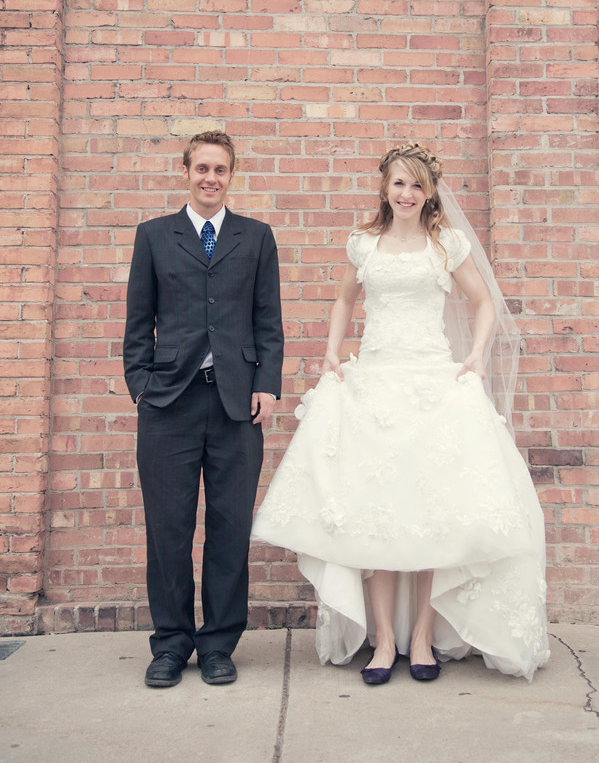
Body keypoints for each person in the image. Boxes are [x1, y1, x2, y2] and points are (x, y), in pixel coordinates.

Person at [253, 141, 549, 684]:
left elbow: (484, 302)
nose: (407, 193)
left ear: (429, 191)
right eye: (398, 183)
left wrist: (476, 354)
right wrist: (332, 350)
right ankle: (385, 639)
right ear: (384, 188)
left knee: (432, 513)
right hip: (375, 384)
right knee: (379, 512)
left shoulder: (446, 244)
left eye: (416, 184)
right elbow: (345, 299)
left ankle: (422, 639)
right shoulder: (364, 243)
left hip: (433, 384)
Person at [123, 130, 284, 688]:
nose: (210, 178)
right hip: (169, 402)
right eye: (202, 168)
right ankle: (171, 644)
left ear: (231, 175)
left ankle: (218, 644)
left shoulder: (256, 237)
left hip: (237, 404)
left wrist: (267, 385)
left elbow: (268, 321)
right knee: (168, 529)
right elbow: (137, 321)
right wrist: (141, 386)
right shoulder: (154, 235)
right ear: (186, 172)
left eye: (220, 169)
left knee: (230, 527)